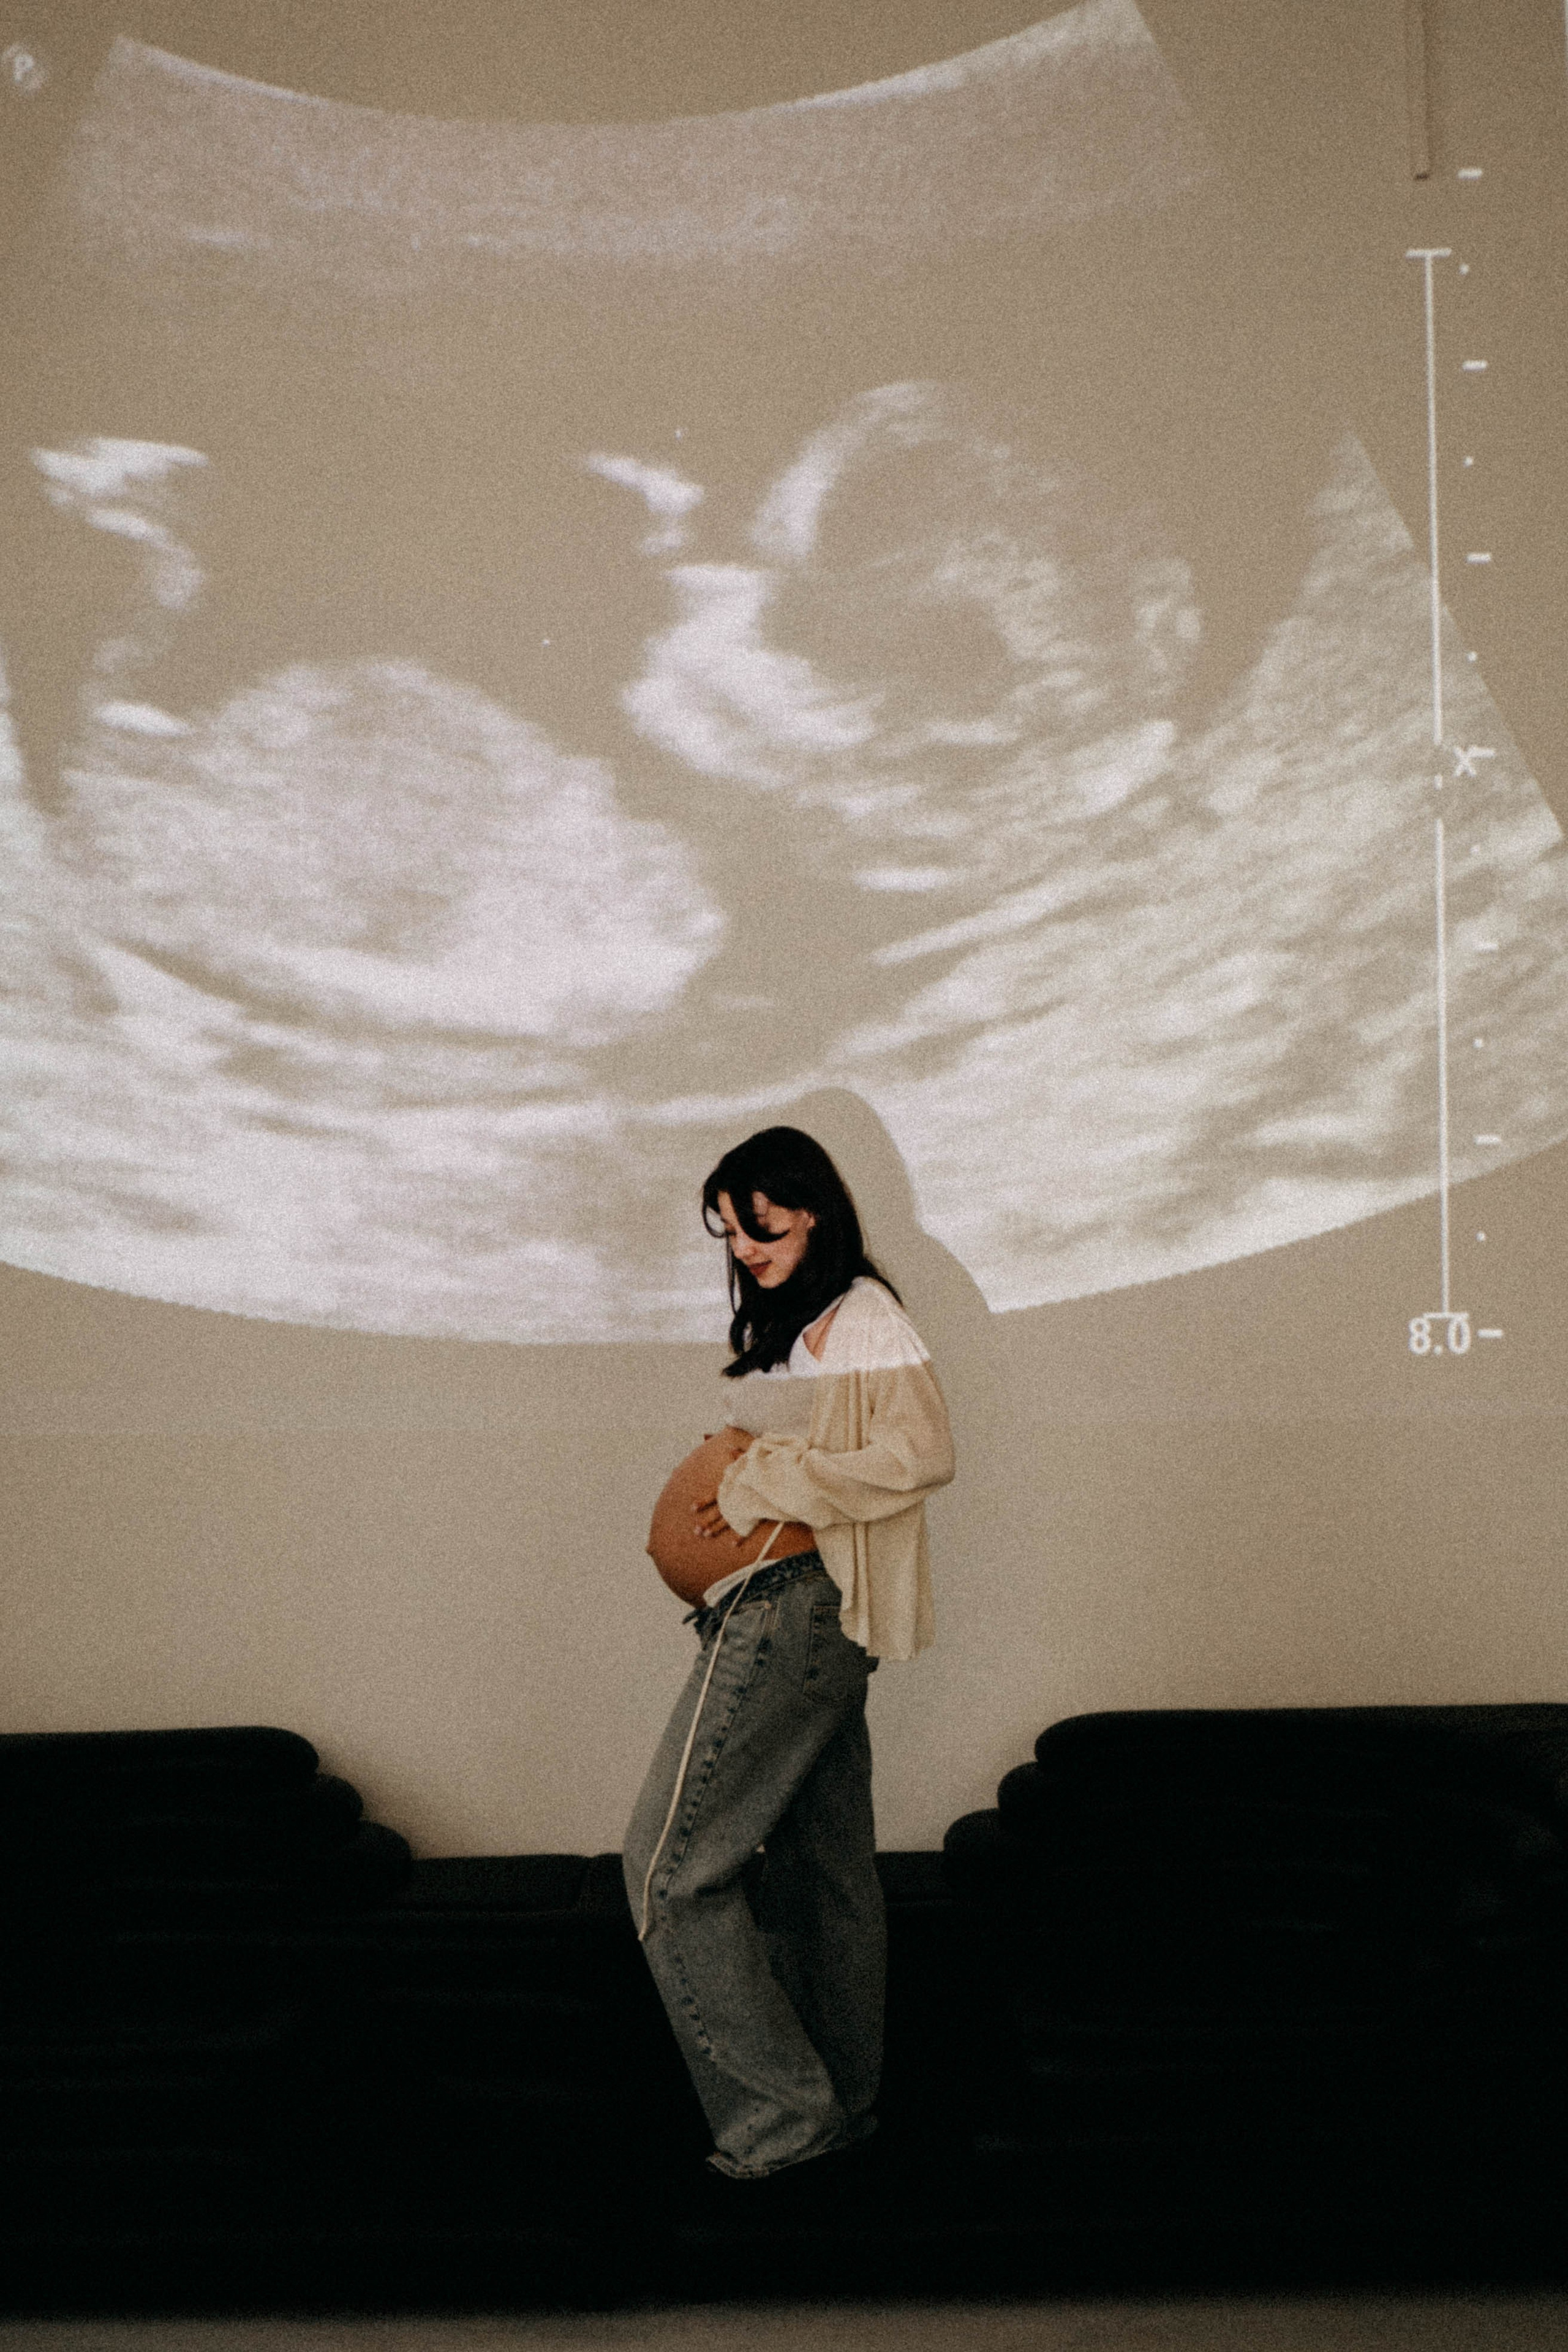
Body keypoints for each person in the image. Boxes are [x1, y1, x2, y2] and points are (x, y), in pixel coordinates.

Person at [624, 1124, 955, 2184]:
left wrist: (761, 1476)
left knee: (669, 1874)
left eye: (759, 1224)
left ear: (811, 1207)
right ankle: (841, 2110)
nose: (743, 1247)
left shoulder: (867, 1313)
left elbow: (922, 1453)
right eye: (728, 1231)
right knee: (823, 1877)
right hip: (784, 1615)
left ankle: (781, 2120)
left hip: (789, 1613)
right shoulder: (805, 1322)